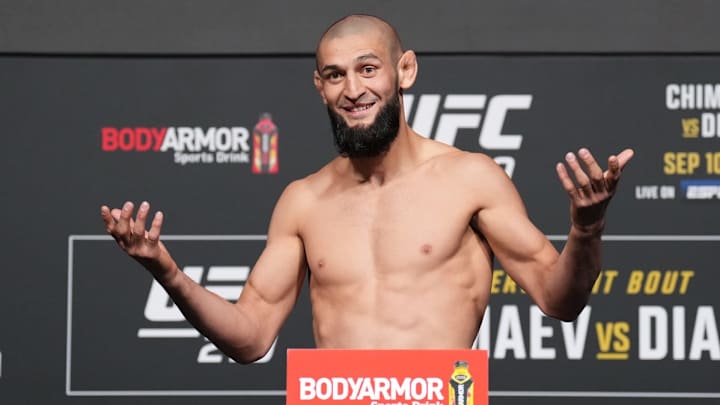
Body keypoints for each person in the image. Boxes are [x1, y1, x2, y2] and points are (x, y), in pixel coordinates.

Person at [100, 14, 633, 363]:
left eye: (368, 69)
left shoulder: (470, 179)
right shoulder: (303, 201)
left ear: (405, 71)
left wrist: (586, 229)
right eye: (335, 75)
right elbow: (251, 336)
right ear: (320, 87)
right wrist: (168, 273)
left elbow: (560, 300)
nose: (353, 89)